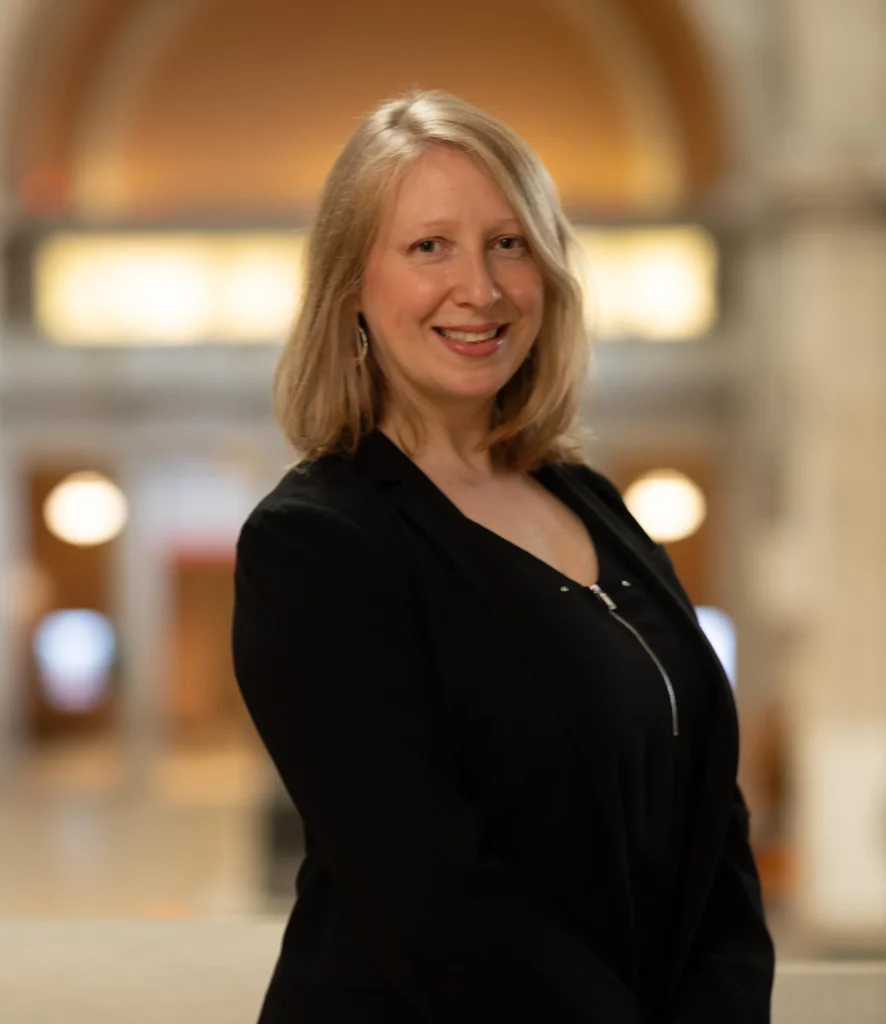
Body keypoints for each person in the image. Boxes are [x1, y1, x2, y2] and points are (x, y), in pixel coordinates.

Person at [232, 90, 775, 1024]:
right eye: (429, 247)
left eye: (510, 243)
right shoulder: (316, 545)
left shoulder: (593, 504)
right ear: (351, 284)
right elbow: (429, 896)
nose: (479, 289)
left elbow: (711, 828)